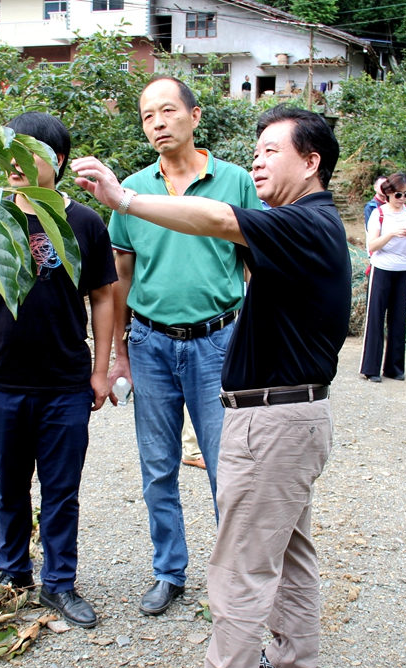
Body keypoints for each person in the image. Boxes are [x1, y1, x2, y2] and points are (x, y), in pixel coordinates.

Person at [73, 103, 350, 668]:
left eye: (271, 150)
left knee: (240, 560)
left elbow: (219, 218)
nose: (257, 159)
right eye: (254, 149)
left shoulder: (306, 222)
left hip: (274, 418)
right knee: (289, 545)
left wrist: (127, 200)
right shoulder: (308, 224)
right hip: (296, 415)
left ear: (311, 163)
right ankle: (294, 658)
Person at [106, 76, 262, 617]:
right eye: (148, 116)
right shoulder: (129, 190)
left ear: (195, 117)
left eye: (167, 111)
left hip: (217, 342)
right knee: (157, 465)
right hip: (150, 344)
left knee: (228, 467)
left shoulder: (236, 182)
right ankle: (169, 571)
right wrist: (121, 350)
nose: (157, 124)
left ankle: (232, 580)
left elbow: (254, 262)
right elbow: (121, 274)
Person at [0, 112, 117, 628]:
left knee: (61, 489)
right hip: (2, 381)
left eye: (28, 153)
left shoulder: (86, 223)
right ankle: (12, 577)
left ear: (58, 161)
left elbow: (103, 300)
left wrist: (100, 370)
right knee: (8, 486)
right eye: (9, 153)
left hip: (66, 384)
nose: (15, 165)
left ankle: (60, 584)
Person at [361, 172, 406, 382]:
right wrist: (392, 233)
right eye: (398, 195)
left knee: (397, 318)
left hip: (403, 268)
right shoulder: (379, 214)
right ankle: (371, 368)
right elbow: (372, 245)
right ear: (388, 194)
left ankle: (394, 368)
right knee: (376, 317)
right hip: (382, 267)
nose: (402, 199)